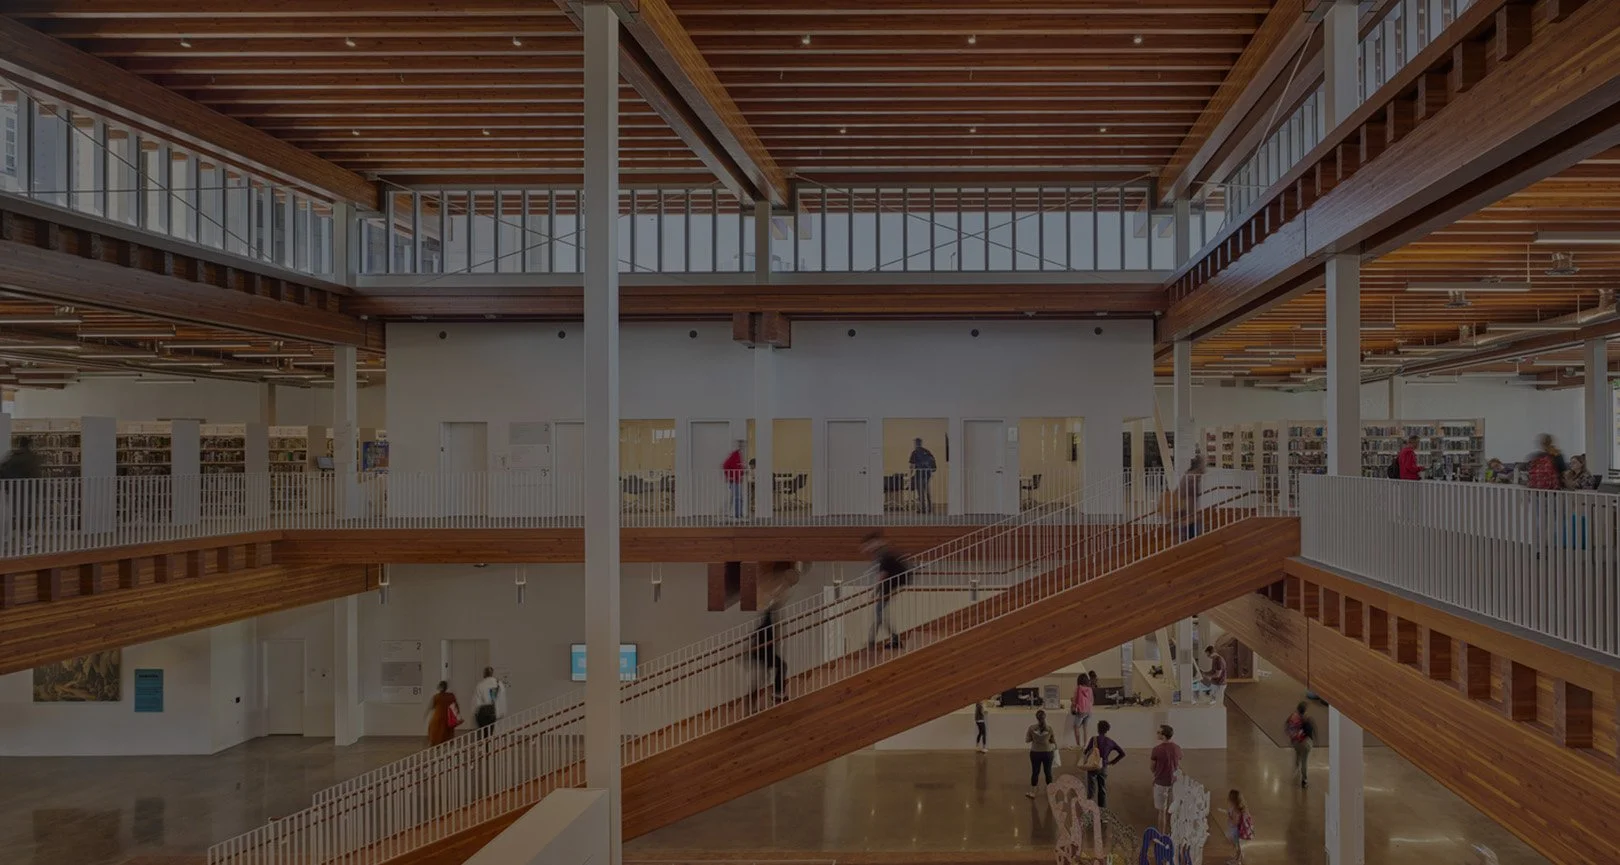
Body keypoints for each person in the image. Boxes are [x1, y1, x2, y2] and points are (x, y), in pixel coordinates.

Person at [863, 531, 911, 649]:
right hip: (890, 584)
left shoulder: (883, 554)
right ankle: (877, 641)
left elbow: (883, 574)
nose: (868, 547)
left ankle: (883, 640)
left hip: (890, 584)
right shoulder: (882, 553)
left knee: (879, 613)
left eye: (870, 544)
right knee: (880, 613)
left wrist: (875, 591)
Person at [751, 595, 787, 704]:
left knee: (765, 676)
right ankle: (776, 694)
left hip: (764, 653)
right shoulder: (767, 624)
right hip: (763, 653)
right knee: (781, 666)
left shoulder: (766, 624)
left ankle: (776, 694)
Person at [1082, 719, 1125, 808]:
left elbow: (1086, 752)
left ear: (1098, 729)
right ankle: (1103, 813)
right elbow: (1122, 753)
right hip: (1104, 767)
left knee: (1091, 790)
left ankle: (1090, 812)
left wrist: (1085, 751)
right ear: (1107, 730)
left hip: (1093, 766)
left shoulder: (1094, 739)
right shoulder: (1110, 741)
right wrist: (1112, 762)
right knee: (1102, 790)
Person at [1150, 724, 1182, 831]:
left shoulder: (1156, 750)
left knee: (1161, 811)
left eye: (1159, 732)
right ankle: (1173, 833)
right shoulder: (1177, 748)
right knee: (1172, 810)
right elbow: (1178, 764)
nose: (1157, 734)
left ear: (1163, 736)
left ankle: (1161, 835)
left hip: (1161, 783)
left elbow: (1152, 767)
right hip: (1174, 782)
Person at [1025, 709, 1058, 799]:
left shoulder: (1031, 728)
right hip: (1048, 753)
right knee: (1048, 772)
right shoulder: (1049, 728)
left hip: (1035, 752)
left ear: (1036, 718)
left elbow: (1027, 740)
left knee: (1035, 772)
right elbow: (1053, 740)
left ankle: (1033, 792)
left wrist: (1035, 738)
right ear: (1045, 717)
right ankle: (1051, 792)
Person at [1285, 701, 1316, 789]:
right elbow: (1310, 732)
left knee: (1298, 753)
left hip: (1295, 742)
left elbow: (1287, 727)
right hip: (1304, 743)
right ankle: (1304, 780)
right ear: (1304, 710)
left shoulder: (1292, 717)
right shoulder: (1305, 719)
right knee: (1304, 760)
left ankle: (1296, 768)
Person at [1176, 454, 1205, 539]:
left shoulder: (1189, 476)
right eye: (1203, 465)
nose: (1205, 468)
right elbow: (1189, 498)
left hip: (1187, 515)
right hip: (1188, 516)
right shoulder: (1192, 478)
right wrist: (1193, 515)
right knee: (1191, 539)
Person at [473, 666, 507, 738]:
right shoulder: (499, 684)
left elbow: (477, 701)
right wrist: (501, 712)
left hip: (482, 712)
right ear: (492, 673)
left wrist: (475, 712)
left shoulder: (480, 685)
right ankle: (489, 747)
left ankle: (484, 747)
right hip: (493, 711)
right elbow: (501, 699)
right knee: (491, 732)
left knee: (483, 733)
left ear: (484, 674)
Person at [424, 680, 461, 747]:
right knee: (448, 730)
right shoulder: (451, 696)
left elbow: (431, 707)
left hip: (438, 718)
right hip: (448, 718)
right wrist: (458, 714)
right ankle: (449, 743)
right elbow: (456, 706)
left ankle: (433, 743)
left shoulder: (436, 697)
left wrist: (426, 714)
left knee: (432, 728)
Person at [1225, 789, 1253, 865]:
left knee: (1237, 846)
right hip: (1236, 831)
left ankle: (1237, 860)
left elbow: (1235, 823)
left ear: (1232, 800)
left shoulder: (1236, 811)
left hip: (1235, 831)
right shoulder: (1238, 809)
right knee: (1238, 846)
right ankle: (1238, 857)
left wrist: (1229, 817)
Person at [909, 437, 937, 514]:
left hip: (919, 474)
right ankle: (930, 508)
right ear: (921, 443)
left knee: (921, 492)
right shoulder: (927, 451)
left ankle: (923, 509)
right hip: (928, 474)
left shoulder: (915, 452)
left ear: (916, 444)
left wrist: (910, 475)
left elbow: (912, 465)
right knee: (927, 491)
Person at [1069, 671, 1094, 749]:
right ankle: (1085, 745)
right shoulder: (1090, 689)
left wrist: (1073, 705)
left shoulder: (1078, 688)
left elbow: (1075, 700)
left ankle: (1078, 745)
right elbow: (1092, 700)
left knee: (1076, 727)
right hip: (1089, 711)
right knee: (1085, 728)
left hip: (1081, 711)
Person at [723, 440, 746, 518]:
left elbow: (739, 467)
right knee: (737, 497)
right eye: (741, 445)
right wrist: (730, 477)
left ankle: (739, 514)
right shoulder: (735, 455)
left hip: (738, 480)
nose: (742, 446)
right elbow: (725, 465)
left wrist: (742, 473)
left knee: (739, 498)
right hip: (734, 480)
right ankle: (737, 515)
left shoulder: (740, 456)